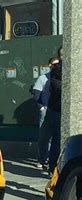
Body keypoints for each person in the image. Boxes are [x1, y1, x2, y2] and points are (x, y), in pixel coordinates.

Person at [33, 56, 59, 169]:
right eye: (54, 64)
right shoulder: (43, 78)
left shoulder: (63, 77)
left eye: (58, 64)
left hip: (58, 110)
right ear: (49, 65)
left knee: (56, 137)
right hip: (46, 109)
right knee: (44, 137)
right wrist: (41, 107)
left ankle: (52, 159)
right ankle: (43, 158)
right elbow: (36, 94)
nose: (56, 66)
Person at [46, 46, 63, 174]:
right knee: (57, 139)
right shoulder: (56, 71)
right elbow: (59, 88)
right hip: (57, 109)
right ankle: (53, 168)